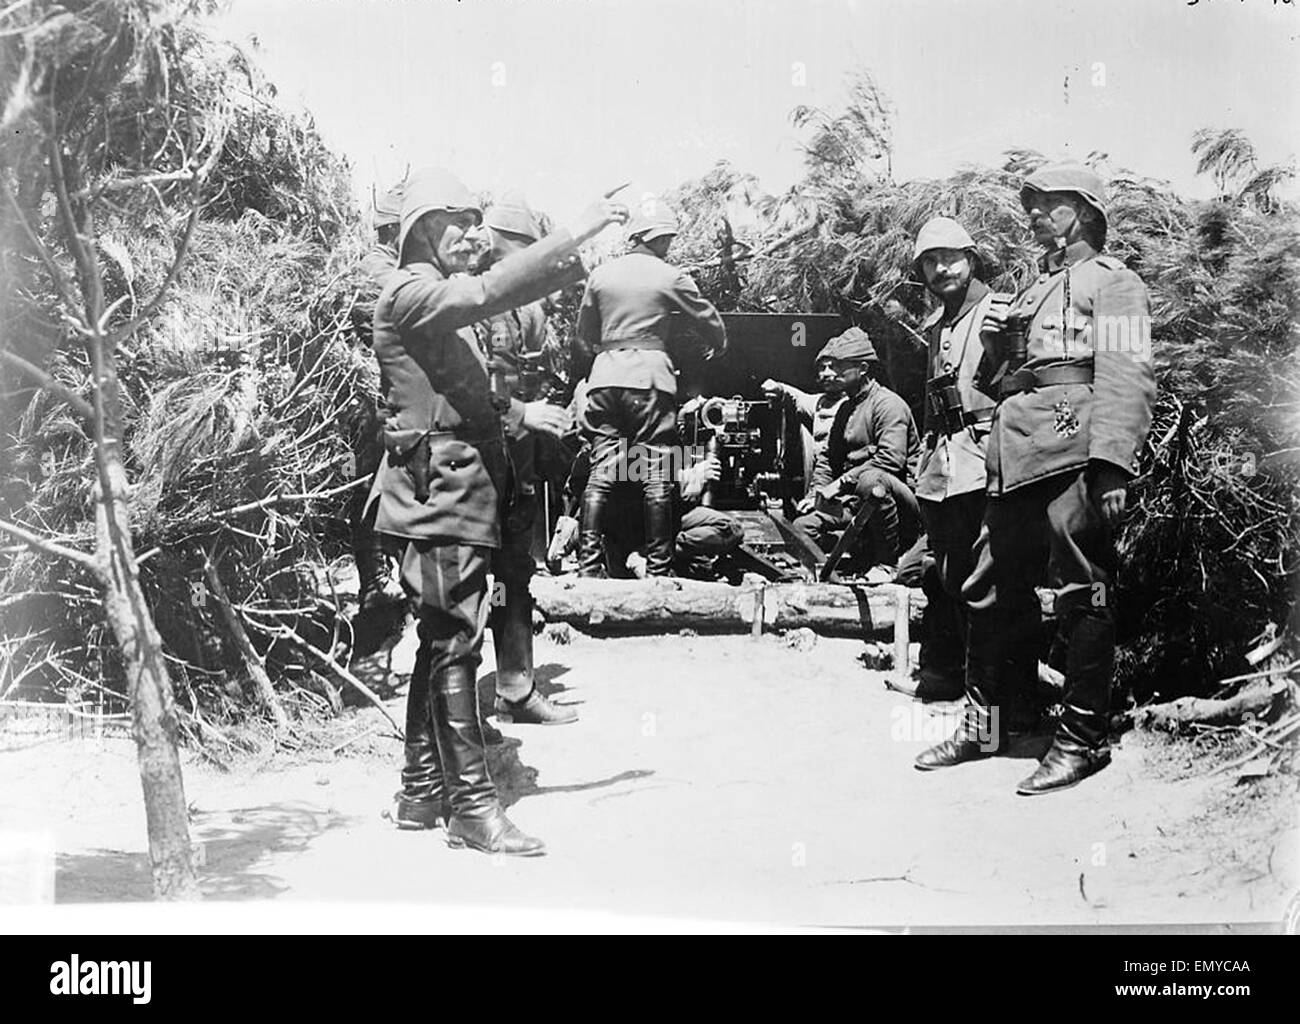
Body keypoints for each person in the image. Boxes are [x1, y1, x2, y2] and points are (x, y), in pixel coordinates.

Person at [372, 166, 627, 854]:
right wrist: (580, 230)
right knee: (456, 641)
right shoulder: (410, 291)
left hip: (453, 490)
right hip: (438, 493)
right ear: (421, 228)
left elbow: (477, 395)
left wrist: (517, 413)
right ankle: (472, 808)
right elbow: (486, 291)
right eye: (454, 220)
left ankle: (421, 792)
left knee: (442, 638)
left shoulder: (435, 302)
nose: (471, 232)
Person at [915, 163, 1156, 795]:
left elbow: (1127, 373)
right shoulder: (1032, 291)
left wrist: (1111, 464)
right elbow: (1006, 384)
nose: (1033, 216)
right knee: (989, 586)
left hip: (1075, 451)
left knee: (1084, 590)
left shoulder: (1117, 284)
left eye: (1047, 205)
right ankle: (990, 725)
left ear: (1080, 212)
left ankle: (1081, 738)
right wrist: (999, 353)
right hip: (1016, 454)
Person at [573, 200, 726, 577]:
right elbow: (709, 318)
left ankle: (588, 568)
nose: (667, 246)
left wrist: (607, 354)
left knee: (602, 471)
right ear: (652, 238)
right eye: (665, 239)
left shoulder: (600, 275)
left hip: (604, 378)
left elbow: (583, 335)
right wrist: (717, 343)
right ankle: (659, 569)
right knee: (657, 469)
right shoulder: (669, 275)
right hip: (650, 380)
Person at [475, 191, 577, 725]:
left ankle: (511, 689)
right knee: (493, 574)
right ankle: (496, 698)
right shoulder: (488, 303)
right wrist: (524, 415)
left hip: (515, 452)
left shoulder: (514, 304)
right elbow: (481, 386)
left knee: (513, 570)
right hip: (489, 455)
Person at [905, 217, 998, 701]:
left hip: (986, 462)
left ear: (972, 259)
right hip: (942, 468)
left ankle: (996, 697)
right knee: (947, 575)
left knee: (988, 583)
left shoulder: (999, 312)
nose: (941, 268)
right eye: (930, 261)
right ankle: (954, 678)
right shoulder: (937, 324)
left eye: (950, 257)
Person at [790, 327, 922, 582]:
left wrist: (840, 484)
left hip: (899, 505)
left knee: (871, 480)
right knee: (802, 528)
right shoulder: (847, 408)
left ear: (862, 369)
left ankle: (888, 563)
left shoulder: (888, 404)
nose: (830, 373)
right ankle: (857, 554)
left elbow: (891, 461)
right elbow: (829, 459)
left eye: (840, 366)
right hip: (857, 502)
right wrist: (815, 494)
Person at [349, 182, 407, 625]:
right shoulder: (379, 269)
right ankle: (375, 583)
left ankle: (383, 581)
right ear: (395, 231)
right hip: (373, 396)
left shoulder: (385, 266)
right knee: (375, 486)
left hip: (379, 393)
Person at [760, 351, 847, 497]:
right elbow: (796, 398)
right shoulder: (819, 403)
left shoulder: (860, 405)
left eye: (833, 367)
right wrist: (779, 388)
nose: (826, 373)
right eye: (822, 368)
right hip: (822, 481)